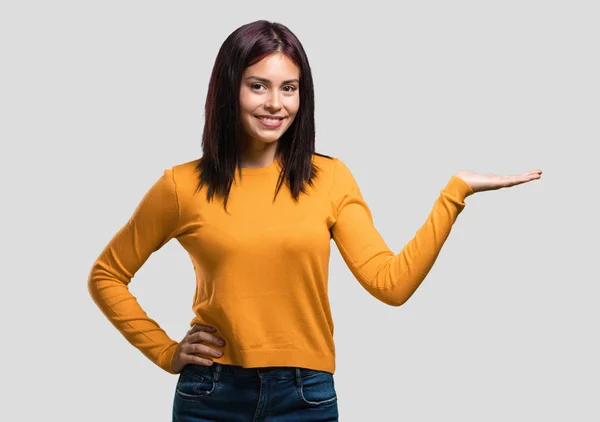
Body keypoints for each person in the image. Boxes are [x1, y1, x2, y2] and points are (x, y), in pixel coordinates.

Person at [87, 19, 542, 421]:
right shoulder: (181, 186)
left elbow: (390, 284)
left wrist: (455, 192)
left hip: (305, 396)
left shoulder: (330, 178)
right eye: (258, 85)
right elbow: (107, 275)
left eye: (289, 87)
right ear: (230, 90)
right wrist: (166, 352)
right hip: (212, 393)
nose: (275, 103)